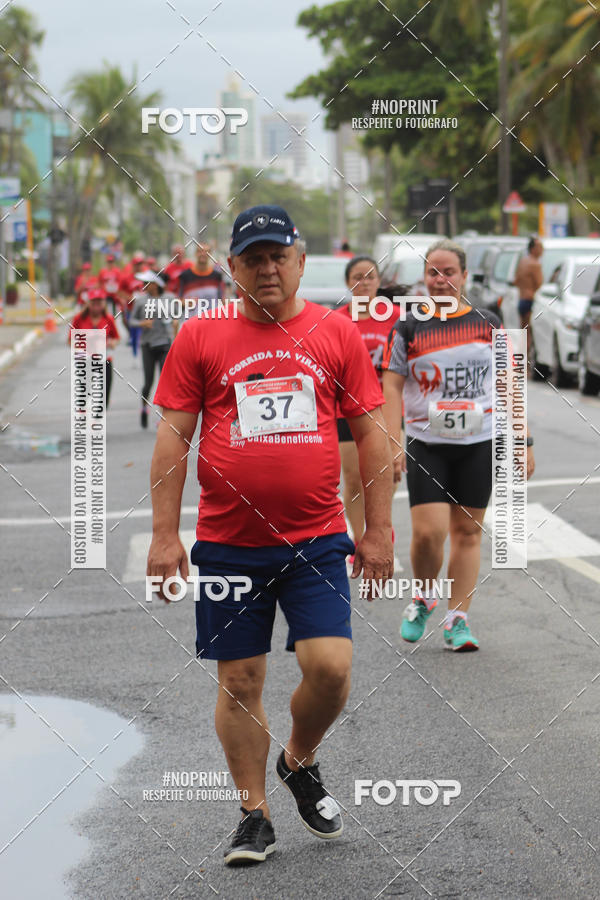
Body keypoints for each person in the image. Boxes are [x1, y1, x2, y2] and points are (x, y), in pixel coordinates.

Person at [148, 205, 394, 866]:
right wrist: (165, 535)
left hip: (315, 539)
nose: (266, 268)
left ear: (300, 260)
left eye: (277, 255)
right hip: (229, 545)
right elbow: (173, 436)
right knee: (241, 681)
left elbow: (371, 433)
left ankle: (299, 758)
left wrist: (378, 529)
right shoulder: (201, 337)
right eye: (252, 257)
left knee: (332, 669)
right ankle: (253, 814)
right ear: (232, 269)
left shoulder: (333, 332)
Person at [382, 239, 535, 651]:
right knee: (429, 534)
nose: (441, 279)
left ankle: (457, 620)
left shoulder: (489, 322)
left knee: (467, 532)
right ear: (424, 278)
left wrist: (522, 439)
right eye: (433, 272)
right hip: (427, 442)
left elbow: (508, 382)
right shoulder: (408, 326)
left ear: (464, 276)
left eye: (449, 272)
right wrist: (394, 441)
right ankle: (424, 595)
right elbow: (391, 386)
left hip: (478, 441)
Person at [336, 256, 399, 552]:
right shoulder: (336, 320)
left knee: (387, 473)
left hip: (385, 409)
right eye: (357, 278)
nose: (363, 283)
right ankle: (360, 540)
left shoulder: (397, 317)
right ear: (348, 283)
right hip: (345, 411)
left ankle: (382, 526)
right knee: (353, 478)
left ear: (379, 282)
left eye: (370, 277)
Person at [129, 271, 173, 429]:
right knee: (148, 381)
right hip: (147, 345)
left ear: (156, 284)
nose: (143, 286)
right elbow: (131, 320)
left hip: (165, 344)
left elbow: (179, 316)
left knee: (164, 381)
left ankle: (163, 415)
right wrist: (142, 324)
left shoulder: (169, 298)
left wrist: (175, 323)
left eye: (147, 283)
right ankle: (144, 409)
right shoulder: (140, 301)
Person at [69, 288, 120, 408]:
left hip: (104, 359)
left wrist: (113, 343)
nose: (96, 306)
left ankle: (97, 419)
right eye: (93, 303)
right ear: (88, 303)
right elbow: (70, 340)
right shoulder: (79, 319)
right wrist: (79, 348)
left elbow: (116, 337)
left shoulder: (108, 319)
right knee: (83, 396)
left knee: (103, 398)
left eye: (99, 303)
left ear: (104, 304)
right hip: (84, 360)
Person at [177, 241, 225, 316]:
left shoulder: (217, 276)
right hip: (191, 322)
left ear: (210, 255)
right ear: (195, 254)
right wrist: (185, 302)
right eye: (200, 251)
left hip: (211, 321)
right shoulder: (184, 276)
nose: (203, 254)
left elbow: (222, 300)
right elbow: (177, 300)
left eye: (206, 252)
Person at [514, 236, 543, 352]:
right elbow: (539, 283)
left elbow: (516, 280)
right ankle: (526, 363)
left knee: (523, 330)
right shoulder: (535, 264)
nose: (542, 250)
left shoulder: (523, 261)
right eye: (539, 247)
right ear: (532, 249)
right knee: (528, 333)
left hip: (521, 299)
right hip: (530, 300)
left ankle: (523, 360)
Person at [117, 251, 146, 356]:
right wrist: (130, 297)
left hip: (144, 309)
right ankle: (134, 353)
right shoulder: (127, 278)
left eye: (140, 264)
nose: (139, 267)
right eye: (137, 265)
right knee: (133, 332)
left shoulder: (146, 277)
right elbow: (119, 292)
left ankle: (142, 352)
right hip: (131, 309)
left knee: (143, 331)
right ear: (133, 266)